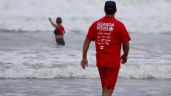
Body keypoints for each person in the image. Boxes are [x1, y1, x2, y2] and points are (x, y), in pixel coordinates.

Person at [80, 1, 131, 96]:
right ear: (115, 10)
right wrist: (125, 55)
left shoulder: (96, 24)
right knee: (109, 90)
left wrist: (84, 57)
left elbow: (87, 40)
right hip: (112, 63)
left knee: (105, 89)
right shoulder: (119, 25)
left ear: (104, 10)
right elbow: (126, 44)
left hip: (100, 62)